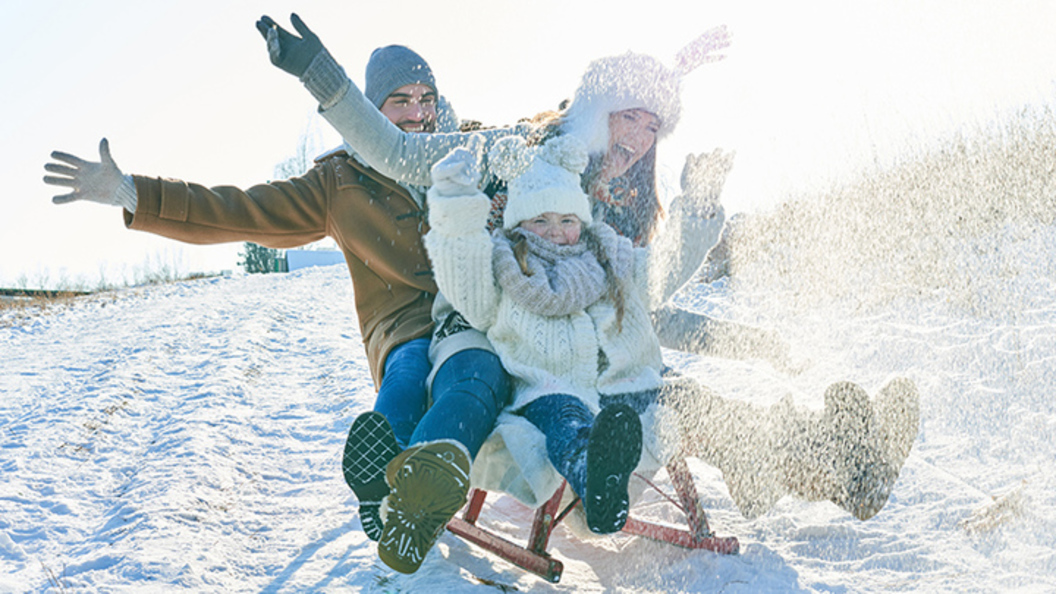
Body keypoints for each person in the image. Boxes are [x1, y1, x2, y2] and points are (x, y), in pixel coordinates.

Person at [258, 15, 919, 527]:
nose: (636, 135)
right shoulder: (516, 154)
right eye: (625, 114)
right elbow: (400, 150)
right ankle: (835, 465)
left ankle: (847, 461)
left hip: (605, 370)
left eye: (651, 124)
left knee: (692, 400)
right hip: (533, 370)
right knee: (683, 404)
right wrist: (319, 74)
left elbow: (648, 303)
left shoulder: (618, 211)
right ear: (593, 113)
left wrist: (752, 342)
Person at [42, 44, 510, 549]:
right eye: (400, 101)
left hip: (476, 315)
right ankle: (386, 474)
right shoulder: (341, 181)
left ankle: (419, 478)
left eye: (426, 98)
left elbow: (546, 144)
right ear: (371, 109)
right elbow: (242, 210)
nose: (418, 113)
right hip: (405, 326)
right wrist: (134, 193)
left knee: (471, 369)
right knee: (409, 370)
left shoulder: (474, 148)